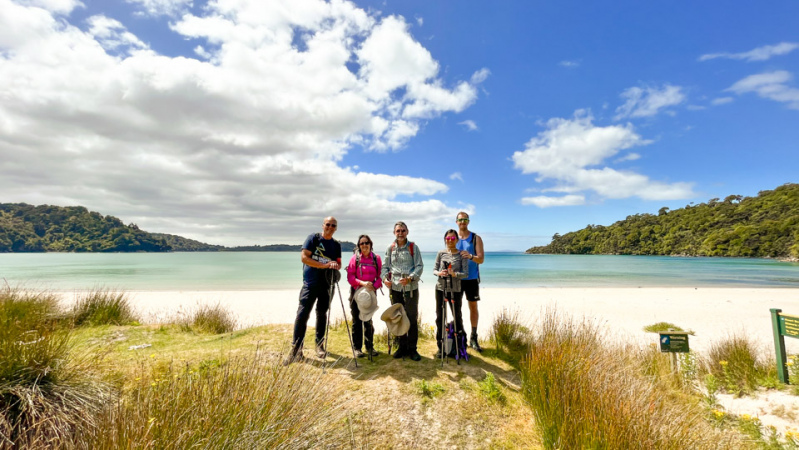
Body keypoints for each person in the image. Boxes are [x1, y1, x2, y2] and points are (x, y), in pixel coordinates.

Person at [286, 216, 342, 364]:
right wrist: (324, 265)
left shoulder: (336, 245)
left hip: (327, 284)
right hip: (310, 284)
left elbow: (338, 263)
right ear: (323, 225)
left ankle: (319, 345)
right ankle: (296, 349)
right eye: (328, 224)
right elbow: (304, 258)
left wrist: (335, 266)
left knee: (322, 314)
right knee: (302, 314)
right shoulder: (313, 238)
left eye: (333, 225)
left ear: (336, 228)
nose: (330, 227)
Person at [381, 221, 424, 361]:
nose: (400, 233)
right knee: (398, 317)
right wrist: (384, 279)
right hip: (395, 288)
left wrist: (411, 278)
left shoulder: (413, 247)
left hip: (411, 288)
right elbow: (385, 267)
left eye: (403, 230)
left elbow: (419, 266)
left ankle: (412, 349)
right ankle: (401, 347)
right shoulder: (390, 248)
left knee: (411, 318)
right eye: (398, 231)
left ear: (407, 232)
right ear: (394, 232)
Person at [433, 229, 469, 358]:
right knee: (440, 317)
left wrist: (455, 274)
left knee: (457, 317)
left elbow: (465, 273)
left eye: (453, 239)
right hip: (441, 288)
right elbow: (434, 269)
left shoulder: (462, 254)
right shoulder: (441, 253)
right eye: (448, 238)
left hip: (455, 289)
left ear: (457, 240)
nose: (450, 241)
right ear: (445, 239)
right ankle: (441, 347)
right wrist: (440, 273)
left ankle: (460, 346)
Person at [346, 234, 382, 358]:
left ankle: (369, 347)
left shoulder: (376, 258)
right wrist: (362, 283)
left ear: (371, 244)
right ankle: (357, 348)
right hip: (356, 293)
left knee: (368, 320)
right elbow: (350, 277)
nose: (364, 245)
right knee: (356, 320)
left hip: (370, 293)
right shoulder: (354, 259)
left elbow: (380, 276)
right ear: (359, 246)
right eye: (362, 243)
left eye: (366, 243)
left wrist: (374, 286)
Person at [455, 211, 485, 352]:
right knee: (457, 309)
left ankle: (473, 337)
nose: (463, 222)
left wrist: (471, 256)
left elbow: (481, 259)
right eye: (460, 220)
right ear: (456, 222)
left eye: (465, 219)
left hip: (472, 278)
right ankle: (461, 336)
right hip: (456, 279)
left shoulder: (475, 238)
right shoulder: (452, 238)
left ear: (468, 221)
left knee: (473, 307)